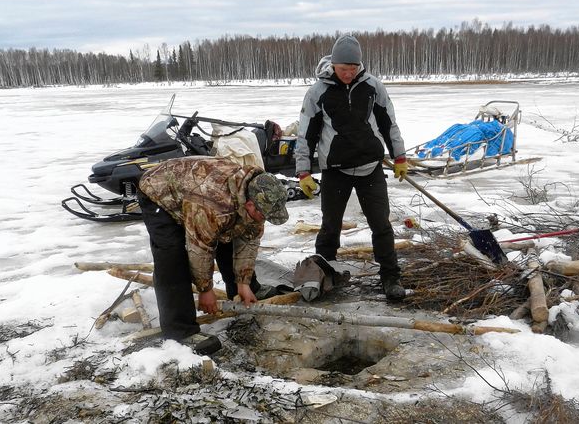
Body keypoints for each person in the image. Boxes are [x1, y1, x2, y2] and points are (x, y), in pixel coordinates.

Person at [294, 34, 409, 301]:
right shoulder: (317, 92)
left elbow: (388, 123)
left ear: (360, 65)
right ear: (333, 65)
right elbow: (305, 134)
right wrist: (303, 171)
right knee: (329, 227)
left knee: (381, 225)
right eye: (343, 69)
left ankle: (390, 277)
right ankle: (322, 274)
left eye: (353, 68)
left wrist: (399, 156)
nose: (348, 74)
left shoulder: (373, 86)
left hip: (370, 167)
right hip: (335, 170)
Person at [137, 156, 289, 355]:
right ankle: (180, 331)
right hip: (159, 192)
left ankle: (244, 290)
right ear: (250, 205)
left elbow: (249, 240)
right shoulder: (213, 205)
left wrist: (243, 282)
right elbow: (199, 247)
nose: (265, 221)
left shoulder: (255, 193)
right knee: (172, 255)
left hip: (195, 189)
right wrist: (205, 290)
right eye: (264, 216)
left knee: (231, 233)